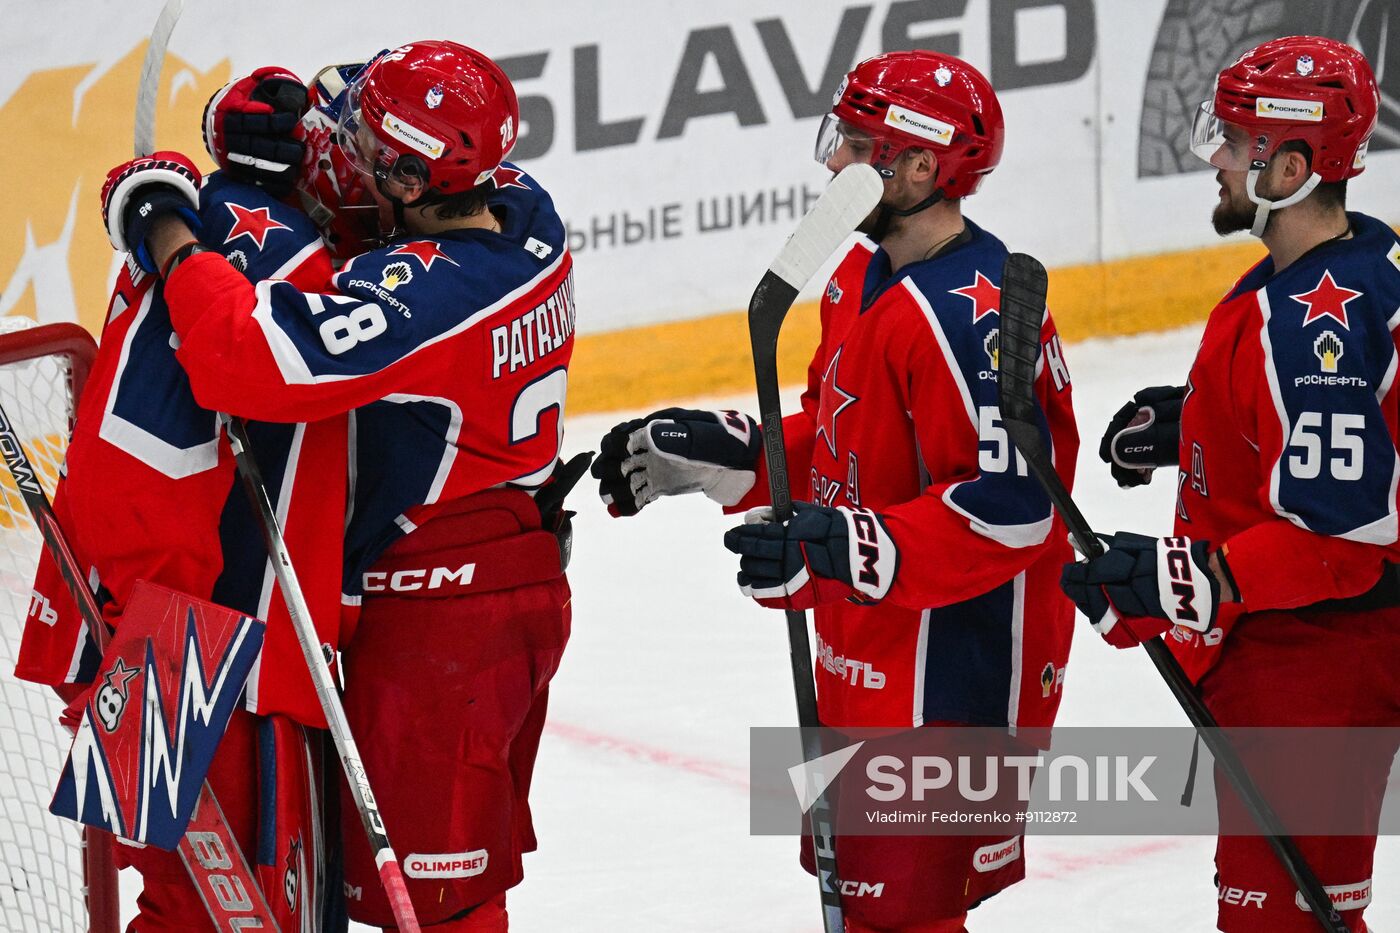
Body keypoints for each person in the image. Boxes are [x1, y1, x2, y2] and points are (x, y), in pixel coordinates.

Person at [101, 41, 583, 931]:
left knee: (436, 905)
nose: (340, 147)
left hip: (438, 625)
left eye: (364, 144)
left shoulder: (432, 297)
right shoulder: (519, 206)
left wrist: (161, 221)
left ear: (410, 179)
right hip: (448, 589)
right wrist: (236, 120)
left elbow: (243, 357)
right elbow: (324, 124)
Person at [593, 51, 1080, 932]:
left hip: (949, 685)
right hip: (866, 654)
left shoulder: (965, 316)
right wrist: (742, 457)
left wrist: (844, 548)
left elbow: (1014, 510)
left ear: (920, 166)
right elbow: (838, 432)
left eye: (856, 145)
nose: (833, 163)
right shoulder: (860, 274)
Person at [1062, 35, 1399, 933]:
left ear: (1290, 168)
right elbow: (1345, 432)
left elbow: (1341, 538)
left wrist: (1190, 576)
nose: (1216, 157)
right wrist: (1199, 424)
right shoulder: (1355, 264)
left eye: (1238, 142)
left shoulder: (1314, 324)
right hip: (1302, 654)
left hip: (1319, 658)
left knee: (1286, 921)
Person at [18, 148, 348, 929]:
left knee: (233, 906)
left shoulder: (203, 234)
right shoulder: (274, 256)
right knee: (207, 910)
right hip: (178, 648)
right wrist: (154, 660)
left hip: (179, 636)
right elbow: (140, 477)